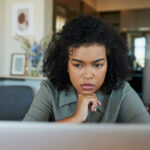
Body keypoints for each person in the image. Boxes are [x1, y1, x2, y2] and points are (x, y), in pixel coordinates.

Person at [24, 15, 150, 123]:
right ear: (65, 65)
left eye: (97, 65)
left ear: (109, 65)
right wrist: (76, 118)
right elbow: (24, 138)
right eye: (78, 65)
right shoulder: (49, 90)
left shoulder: (122, 92)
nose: (88, 75)